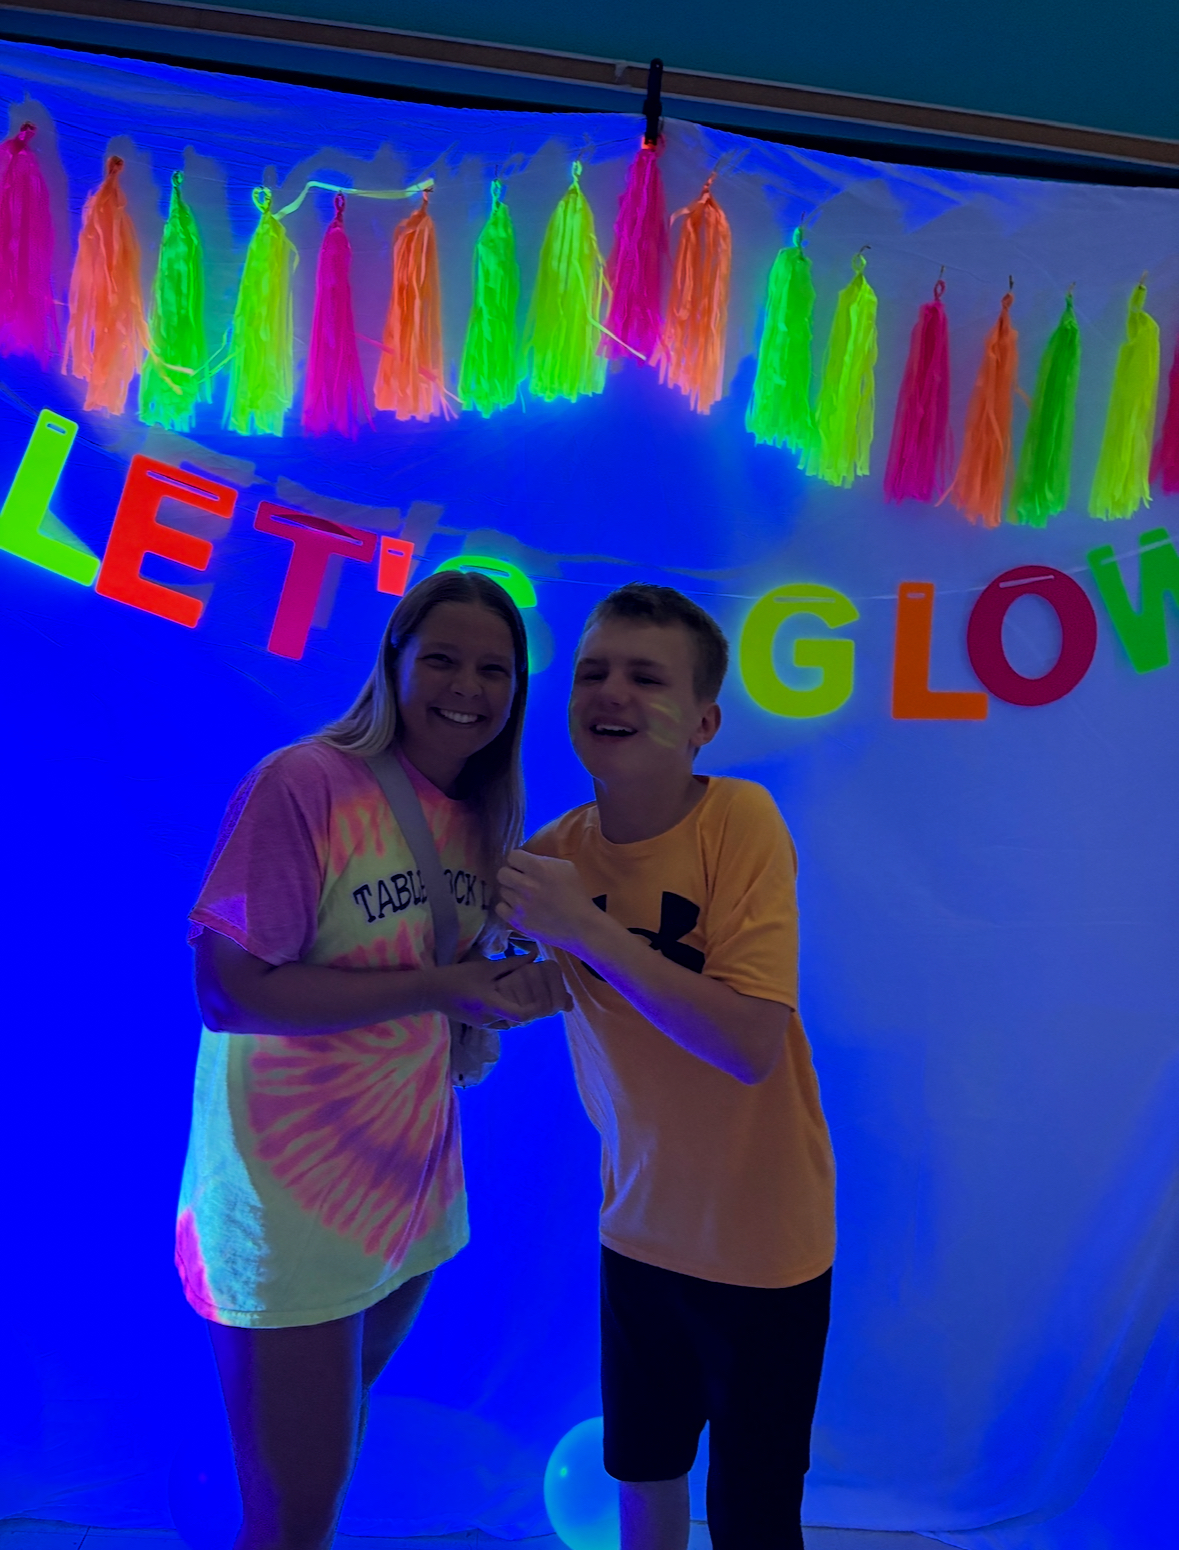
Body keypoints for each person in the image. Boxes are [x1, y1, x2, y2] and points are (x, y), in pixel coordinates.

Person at [176, 570, 568, 1550]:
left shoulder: (478, 814)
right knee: (295, 1513)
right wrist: (441, 988)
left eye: (493, 667)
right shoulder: (303, 783)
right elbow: (230, 991)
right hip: (285, 1196)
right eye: (442, 656)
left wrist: (512, 986)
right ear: (392, 660)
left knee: (326, 1460)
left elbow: (432, 975)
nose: (467, 685)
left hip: (409, 1183)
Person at [497, 583, 836, 1550]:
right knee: (642, 1477)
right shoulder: (558, 854)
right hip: (638, 1232)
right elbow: (535, 991)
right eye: (592, 671)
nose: (611, 691)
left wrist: (583, 931)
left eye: (646, 677)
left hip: (766, 1242)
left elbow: (746, 1041)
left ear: (702, 723)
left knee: (754, 1506)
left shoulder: (740, 820)